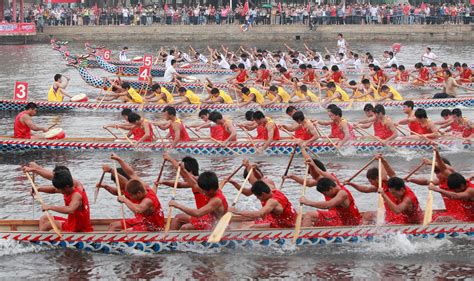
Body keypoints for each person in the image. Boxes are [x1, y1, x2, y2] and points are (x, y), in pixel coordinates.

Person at [97, 154, 165, 231]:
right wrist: (119, 159)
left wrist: (124, 200)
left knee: (124, 233)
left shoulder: (148, 200)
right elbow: (131, 173)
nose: (130, 197)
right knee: (113, 225)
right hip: (141, 220)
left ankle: (113, 242)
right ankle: (109, 242)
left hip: (153, 227)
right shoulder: (141, 185)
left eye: (131, 196)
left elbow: (138, 209)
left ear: (139, 193)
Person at [22, 163, 93, 232]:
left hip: (77, 228)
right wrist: (38, 188)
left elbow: (70, 209)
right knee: (44, 219)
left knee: (47, 225)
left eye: (59, 189)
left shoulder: (76, 195)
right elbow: (54, 187)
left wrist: (49, 207)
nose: (58, 190)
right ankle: (45, 238)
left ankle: (41, 241)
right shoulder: (68, 185)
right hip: (71, 222)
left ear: (66, 187)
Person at [230, 180, 297, 229]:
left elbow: (258, 214)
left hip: (286, 224)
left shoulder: (272, 202)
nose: (257, 198)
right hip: (286, 218)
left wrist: (236, 212)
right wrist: (234, 183)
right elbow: (247, 192)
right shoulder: (271, 189)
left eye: (257, 196)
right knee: (245, 222)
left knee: (249, 226)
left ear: (263, 194)